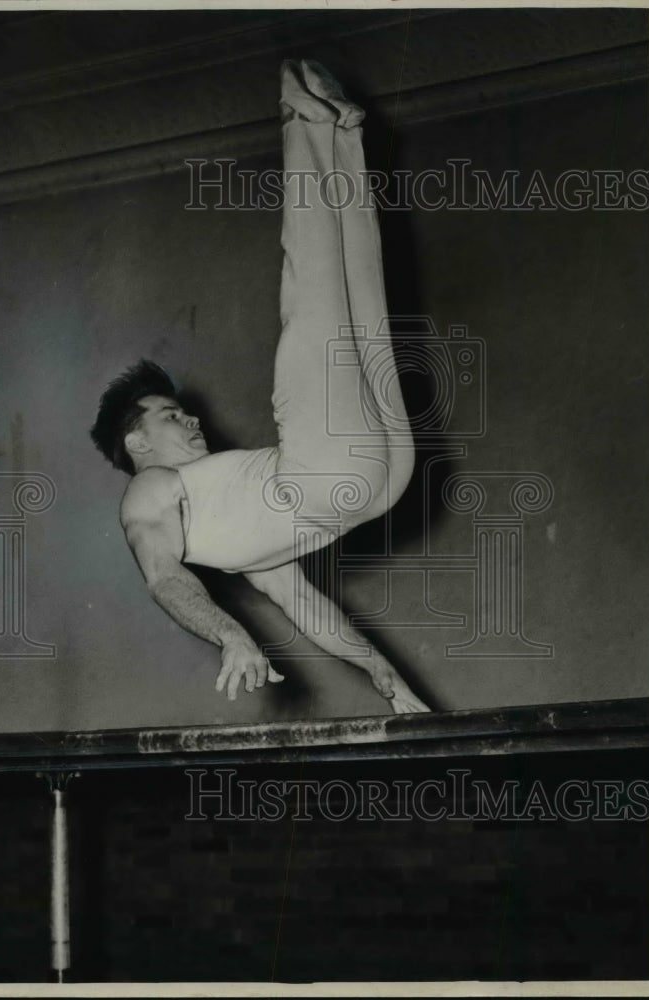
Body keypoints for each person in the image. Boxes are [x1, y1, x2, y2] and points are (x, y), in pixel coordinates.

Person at [91, 60, 430, 714]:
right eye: (169, 415)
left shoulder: (237, 540)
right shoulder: (149, 492)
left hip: (374, 482)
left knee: (359, 303)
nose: (191, 421)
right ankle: (306, 121)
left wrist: (383, 674)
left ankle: (343, 135)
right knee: (312, 304)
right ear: (137, 441)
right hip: (334, 474)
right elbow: (165, 578)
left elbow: (307, 608)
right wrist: (231, 636)